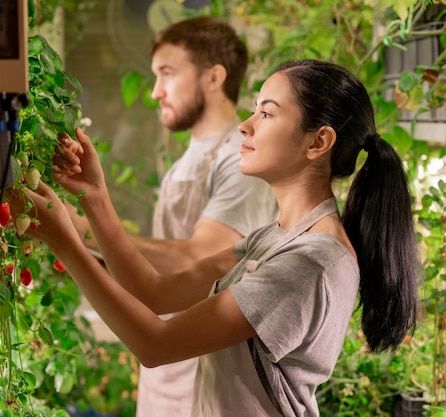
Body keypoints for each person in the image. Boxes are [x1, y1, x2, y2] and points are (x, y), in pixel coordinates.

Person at [11, 59, 421, 417]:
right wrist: (96, 201)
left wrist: (66, 242)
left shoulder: (310, 262)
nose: (245, 124)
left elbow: (155, 345)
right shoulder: (275, 239)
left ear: (319, 142)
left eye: (266, 113)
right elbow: (154, 291)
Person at [63, 16, 278, 417]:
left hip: (199, 378)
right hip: (163, 377)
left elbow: (197, 262)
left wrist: (84, 231)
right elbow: (155, 274)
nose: (156, 92)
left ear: (214, 78)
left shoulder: (238, 159)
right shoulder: (191, 157)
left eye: (167, 73)